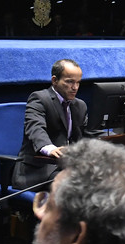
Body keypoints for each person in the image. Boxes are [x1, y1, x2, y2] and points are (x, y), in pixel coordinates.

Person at [12, 59, 100, 188]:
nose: (75, 87)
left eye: (78, 82)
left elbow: (89, 134)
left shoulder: (80, 105)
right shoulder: (39, 99)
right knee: (78, 184)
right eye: (70, 82)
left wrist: (117, 141)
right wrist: (49, 148)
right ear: (55, 80)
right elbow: (35, 128)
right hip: (38, 171)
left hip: (67, 167)